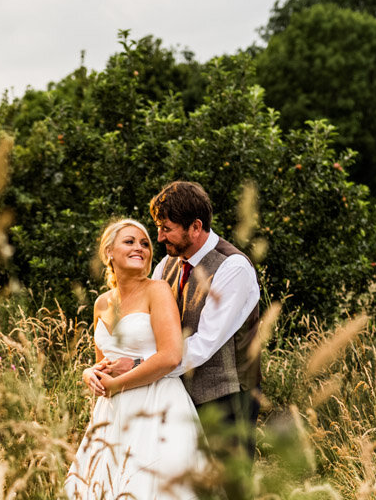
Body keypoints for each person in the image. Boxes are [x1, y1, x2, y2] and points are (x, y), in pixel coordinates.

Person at [43, 217, 287, 500]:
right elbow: (104, 358)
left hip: (157, 405)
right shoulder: (102, 302)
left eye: (144, 241)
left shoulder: (159, 291)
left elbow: (171, 355)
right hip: (112, 416)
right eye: (129, 241)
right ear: (109, 253)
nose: (140, 247)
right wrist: (89, 373)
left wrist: (119, 382)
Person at [88, 180, 261, 463]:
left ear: (195, 227)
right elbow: (147, 328)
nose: (158, 238)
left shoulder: (233, 267)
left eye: (166, 229)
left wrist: (136, 366)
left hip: (227, 397)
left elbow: (204, 343)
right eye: (158, 228)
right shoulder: (166, 265)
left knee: (230, 492)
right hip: (173, 397)